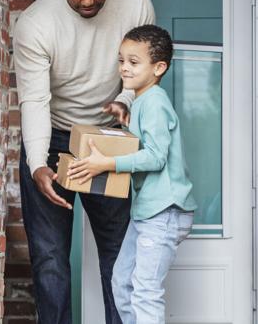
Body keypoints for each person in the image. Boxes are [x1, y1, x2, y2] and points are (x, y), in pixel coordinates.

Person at [13, 0, 155, 324]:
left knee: (119, 253)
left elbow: (140, 71)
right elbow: (34, 100)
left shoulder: (136, 4)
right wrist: (38, 164)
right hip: (55, 138)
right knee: (51, 258)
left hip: (106, 137)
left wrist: (125, 101)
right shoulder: (36, 23)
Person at [68, 25, 197, 324]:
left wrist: (107, 163)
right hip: (146, 212)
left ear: (159, 67)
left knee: (145, 291)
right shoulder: (140, 102)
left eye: (134, 62)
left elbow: (155, 157)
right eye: (121, 60)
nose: (124, 68)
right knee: (122, 284)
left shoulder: (155, 102)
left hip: (165, 211)